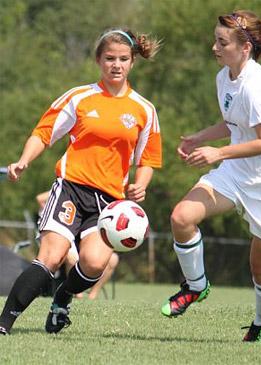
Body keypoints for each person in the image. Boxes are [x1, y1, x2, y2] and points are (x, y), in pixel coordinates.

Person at [0, 28, 162, 335]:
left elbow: (149, 158)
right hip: (71, 189)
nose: (117, 65)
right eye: (110, 58)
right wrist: (24, 159)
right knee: (50, 256)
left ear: (132, 62)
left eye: (123, 59)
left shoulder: (144, 109)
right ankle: (3, 323)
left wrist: (141, 182)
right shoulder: (79, 97)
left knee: (93, 263)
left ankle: (62, 297)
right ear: (98, 60)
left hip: (109, 203)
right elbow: (43, 133)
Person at [161, 10, 261, 344]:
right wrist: (200, 137)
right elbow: (234, 123)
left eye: (222, 42)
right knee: (181, 216)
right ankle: (196, 286)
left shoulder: (257, 86)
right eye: (216, 40)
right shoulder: (225, 76)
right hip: (236, 173)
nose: (214, 47)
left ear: (245, 48)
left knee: (260, 269)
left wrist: (218, 153)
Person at [36, 191, 119, 300]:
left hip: (84, 240)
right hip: (66, 236)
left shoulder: (99, 196)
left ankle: (92, 297)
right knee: (72, 258)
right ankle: (76, 295)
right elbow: (40, 198)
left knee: (113, 259)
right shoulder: (66, 188)